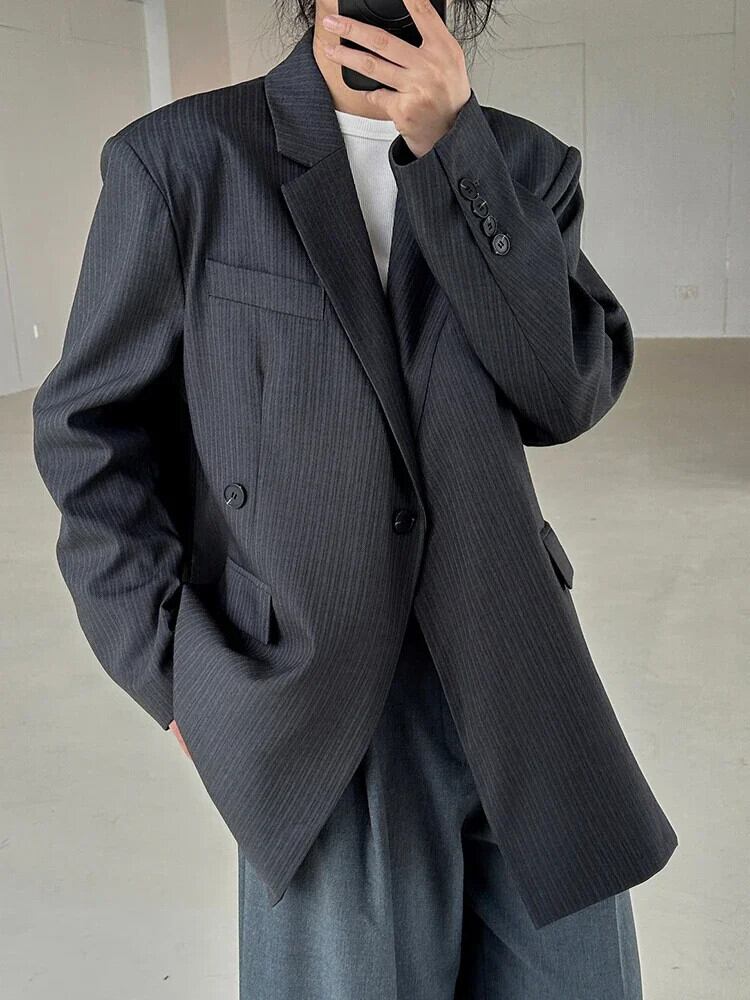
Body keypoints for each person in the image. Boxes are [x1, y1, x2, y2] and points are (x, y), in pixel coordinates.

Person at [32, 1, 678, 996]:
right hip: (317, 705)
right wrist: (170, 668)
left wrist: (457, 155)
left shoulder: (520, 165)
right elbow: (91, 436)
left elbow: (564, 391)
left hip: (520, 678)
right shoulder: (185, 162)